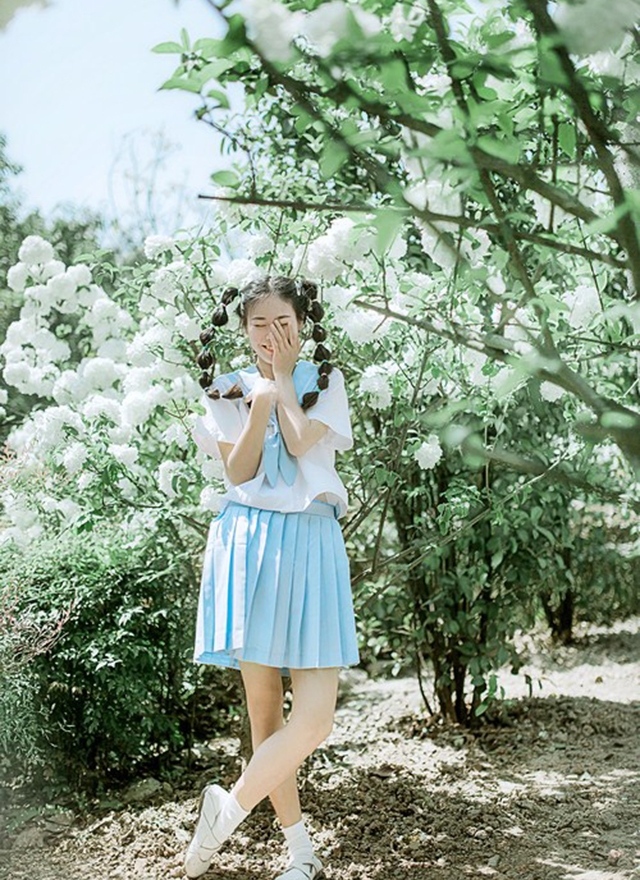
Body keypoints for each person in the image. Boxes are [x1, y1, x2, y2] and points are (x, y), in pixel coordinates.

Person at [184, 275, 360, 880]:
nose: (271, 333)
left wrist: (282, 380)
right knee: (265, 714)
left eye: (282, 321)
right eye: (258, 324)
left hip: (312, 542)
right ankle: (301, 856)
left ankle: (226, 811)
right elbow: (241, 469)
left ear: (302, 322)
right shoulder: (226, 389)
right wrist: (257, 398)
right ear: (244, 329)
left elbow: (300, 435)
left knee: (314, 718)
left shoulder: (324, 381)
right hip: (249, 542)